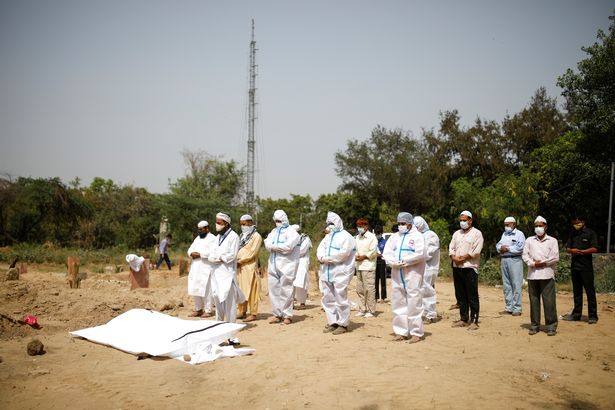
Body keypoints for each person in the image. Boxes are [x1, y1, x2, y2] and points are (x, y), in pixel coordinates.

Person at [383, 212, 425, 343]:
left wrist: (405, 261)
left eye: (403, 223)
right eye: (399, 224)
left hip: (413, 273)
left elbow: (420, 254)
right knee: (398, 301)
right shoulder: (395, 237)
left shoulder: (418, 237)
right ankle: (401, 331)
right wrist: (392, 262)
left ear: (409, 224)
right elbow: (387, 252)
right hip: (397, 273)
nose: (400, 226)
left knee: (414, 301)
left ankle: (416, 332)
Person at [317, 211, 356, 335]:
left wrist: (329, 258)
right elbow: (320, 249)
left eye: (332, 223)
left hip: (340, 272)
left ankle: (343, 323)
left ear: (338, 222)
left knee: (340, 298)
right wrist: (322, 257)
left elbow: (343, 254)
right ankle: (332, 321)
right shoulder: (328, 237)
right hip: (326, 271)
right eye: (328, 223)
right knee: (328, 298)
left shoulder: (346, 237)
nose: (330, 225)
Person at [522, 216, 559, 336]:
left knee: (549, 301)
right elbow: (525, 255)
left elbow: (555, 257)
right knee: (534, 301)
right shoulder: (529, 240)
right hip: (533, 275)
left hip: (547, 274)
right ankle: (534, 325)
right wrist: (533, 263)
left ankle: (551, 326)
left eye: (540, 226)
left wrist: (543, 262)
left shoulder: (552, 241)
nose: (538, 228)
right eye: (536, 226)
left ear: (546, 227)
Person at [208, 212, 243, 334]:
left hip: (227, 275)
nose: (216, 224)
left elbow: (231, 255)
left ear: (226, 224)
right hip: (216, 274)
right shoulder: (217, 237)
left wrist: (219, 258)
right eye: (216, 221)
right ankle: (218, 329)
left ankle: (231, 331)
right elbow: (211, 254)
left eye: (219, 222)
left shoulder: (234, 237)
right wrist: (217, 258)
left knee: (230, 305)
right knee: (218, 302)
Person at [264, 210, 301, 325]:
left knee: (286, 289)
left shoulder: (292, 232)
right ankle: (277, 314)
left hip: (287, 265)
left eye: (279, 221)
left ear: (285, 220)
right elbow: (266, 244)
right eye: (275, 221)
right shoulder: (273, 232)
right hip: (273, 264)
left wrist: (273, 246)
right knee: (273, 289)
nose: (277, 223)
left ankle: (287, 315)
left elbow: (288, 247)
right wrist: (276, 247)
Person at [449, 210, 484, 330]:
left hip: (469, 267)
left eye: (465, 220)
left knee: (472, 295)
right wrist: (454, 257)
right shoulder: (456, 234)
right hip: (457, 267)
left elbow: (476, 250)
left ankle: (474, 320)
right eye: (461, 220)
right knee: (461, 294)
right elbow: (451, 248)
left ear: (470, 220)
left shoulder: (477, 234)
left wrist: (463, 258)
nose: (462, 222)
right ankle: (464, 318)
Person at [563, 216, 599, 324]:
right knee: (577, 292)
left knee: (590, 291)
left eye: (577, 223)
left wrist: (583, 252)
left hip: (586, 267)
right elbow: (568, 248)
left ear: (583, 222)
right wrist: (571, 251)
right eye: (574, 223)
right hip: (575, 267)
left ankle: (592, 316)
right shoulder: (573, 233)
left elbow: (595, 248)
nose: (575, 225)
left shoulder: (590, 233)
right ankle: (576, 314)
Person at [495, 216, 526, 316]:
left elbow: (520, 248)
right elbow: (498, 245)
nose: (506, 226)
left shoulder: (519, 234)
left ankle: (517, 308)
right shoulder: (504, 234)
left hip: (515, 260)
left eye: (508, 224)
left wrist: (507, 249)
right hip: (504, 260)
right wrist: (501, 248)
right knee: (506, 284)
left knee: (516, 284)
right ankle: (509, 307)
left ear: (514, 224)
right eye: (505, 225)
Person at [236, 214, 263, 322]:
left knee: (252, 291)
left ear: (250, 223)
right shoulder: (241, 235)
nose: (243, 226)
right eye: (241, 224)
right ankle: (242, 311)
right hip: (240, 267)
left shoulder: (256, 236)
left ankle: (253, 313)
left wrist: (241, 261)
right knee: (241, 290)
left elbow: (252, 253)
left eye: (244, 224)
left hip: (250, 267)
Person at [413, 216, 440, 323]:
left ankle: (431, 315)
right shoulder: (419, 235)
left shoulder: (431, 235)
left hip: (429, 268)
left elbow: (428, 253)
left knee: (427, 291)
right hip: (420, 267)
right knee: (421, 291)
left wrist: (415, 257)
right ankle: (424, 312)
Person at [187, 220, 216, 317]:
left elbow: (213, 252)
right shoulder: (197, 239)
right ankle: (198, 309)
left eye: (201, 230)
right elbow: (190, 249)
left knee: (207, 289)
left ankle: (208, 310)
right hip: (195, 267)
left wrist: (200, 254)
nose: (199, 231)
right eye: (198, 230)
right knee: (195, 288)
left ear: (207, 228)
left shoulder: (213, 238)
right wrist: (191, 253)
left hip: (206, 268)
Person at [354, 218, 378, 318]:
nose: (359, 228)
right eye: (358, 226)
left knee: (369, 289)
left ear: (366, 226)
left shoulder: (372, 237)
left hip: (368, 266)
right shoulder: (357, 237)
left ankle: (371, 310)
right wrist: (356, 256)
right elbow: (354, 249)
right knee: (360, 289)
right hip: (359, 266)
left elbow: (373, 251)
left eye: (361, 226)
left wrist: (364, 256)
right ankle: (362, 309)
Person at [292, 224, 312, 310]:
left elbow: (302, 251)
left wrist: (290, 251)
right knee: (291, 282)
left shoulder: (305, 238)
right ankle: (290, 303)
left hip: (302, 262)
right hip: (292, 262)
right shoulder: (291, 238)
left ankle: (302, 302)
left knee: (301, 282)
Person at [374, 226, 388, 303]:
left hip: (382, 262)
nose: (377, 235)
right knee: (375, 280)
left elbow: (385, 253)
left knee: (383, 280)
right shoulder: (374, 241)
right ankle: (376, 297)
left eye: (378, 233)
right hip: (375, 262)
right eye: (376, 233)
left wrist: (379, 255)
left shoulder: (385, 242)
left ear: (381, 233)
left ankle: (383, 297)